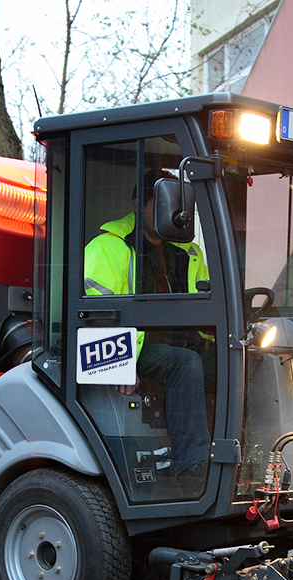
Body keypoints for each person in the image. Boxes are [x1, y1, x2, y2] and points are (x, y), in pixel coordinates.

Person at [83, 173, 211, 481]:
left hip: (180, 343)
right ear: (139, 205)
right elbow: (94, 315)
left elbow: (207, 305)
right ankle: (195, 468)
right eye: (165, 203)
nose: (173, 212)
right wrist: (119, 365)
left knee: (241, 361)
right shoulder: (108, 248)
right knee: (187, 364)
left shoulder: (187, 253)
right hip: (136, 349)